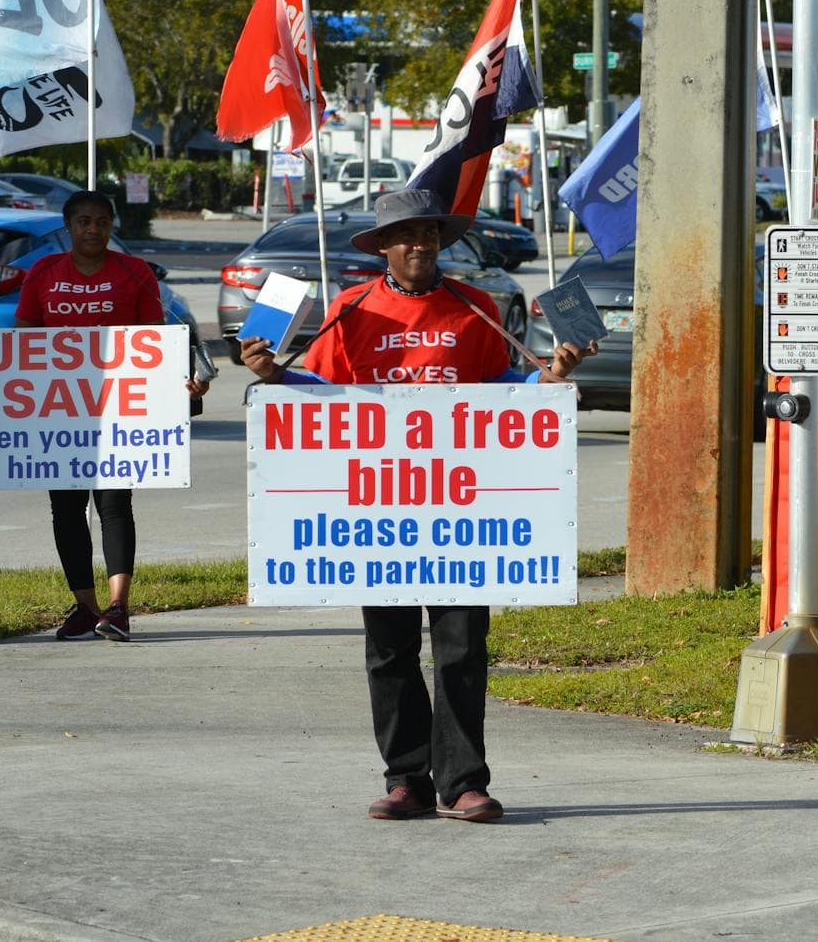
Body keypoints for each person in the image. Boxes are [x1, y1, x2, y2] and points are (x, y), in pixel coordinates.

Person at [241, 188, 594, 824]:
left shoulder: (474, 307)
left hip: (462, 507)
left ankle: (462, 782)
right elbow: (319, 391)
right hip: (378, 508)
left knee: (461, 645)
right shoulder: (349, 309)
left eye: (429, 233)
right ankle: (406, 778)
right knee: (389, 648)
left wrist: (548, 379)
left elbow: (504, 391)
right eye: (404, 235)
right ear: (381, 248)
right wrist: (272, 375)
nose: (419, 244)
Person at [0, 189, 209, 642]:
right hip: (60, 413)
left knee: (114, 503)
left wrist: (181, 386)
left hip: (120, 411)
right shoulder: (44, 272)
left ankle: (119, 606)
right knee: (65, 508)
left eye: (102, 221)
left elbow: (157, 344)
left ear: (111, 226)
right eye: (83, 221)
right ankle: (85, 607)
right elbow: (22, 346)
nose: (93, 229)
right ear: (68, 228)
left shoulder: (134, 272)